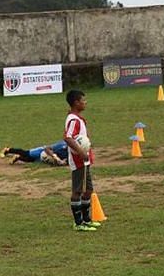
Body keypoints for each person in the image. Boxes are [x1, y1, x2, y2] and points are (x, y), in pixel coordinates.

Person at [63, 89, 101, 232]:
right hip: (78, 160)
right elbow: (68, 137)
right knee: (78, 191)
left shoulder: (77, 118)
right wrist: (81, 152)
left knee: (88, 189)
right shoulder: (73, 119)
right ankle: (78, 223)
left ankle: (86, 220)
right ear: (76, 102)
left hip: (84, 159)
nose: (85, 103)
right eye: (83, 100)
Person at [0, 140, 69, 166]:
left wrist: (62, 162)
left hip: (46, 158)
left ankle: (18, 157)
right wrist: (54, 156)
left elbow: (67, 163)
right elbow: (47, 148)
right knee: (26, 153)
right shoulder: (62, 145)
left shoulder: (71, 155)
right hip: (42, 151)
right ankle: (7, 150)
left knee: (31, 160)